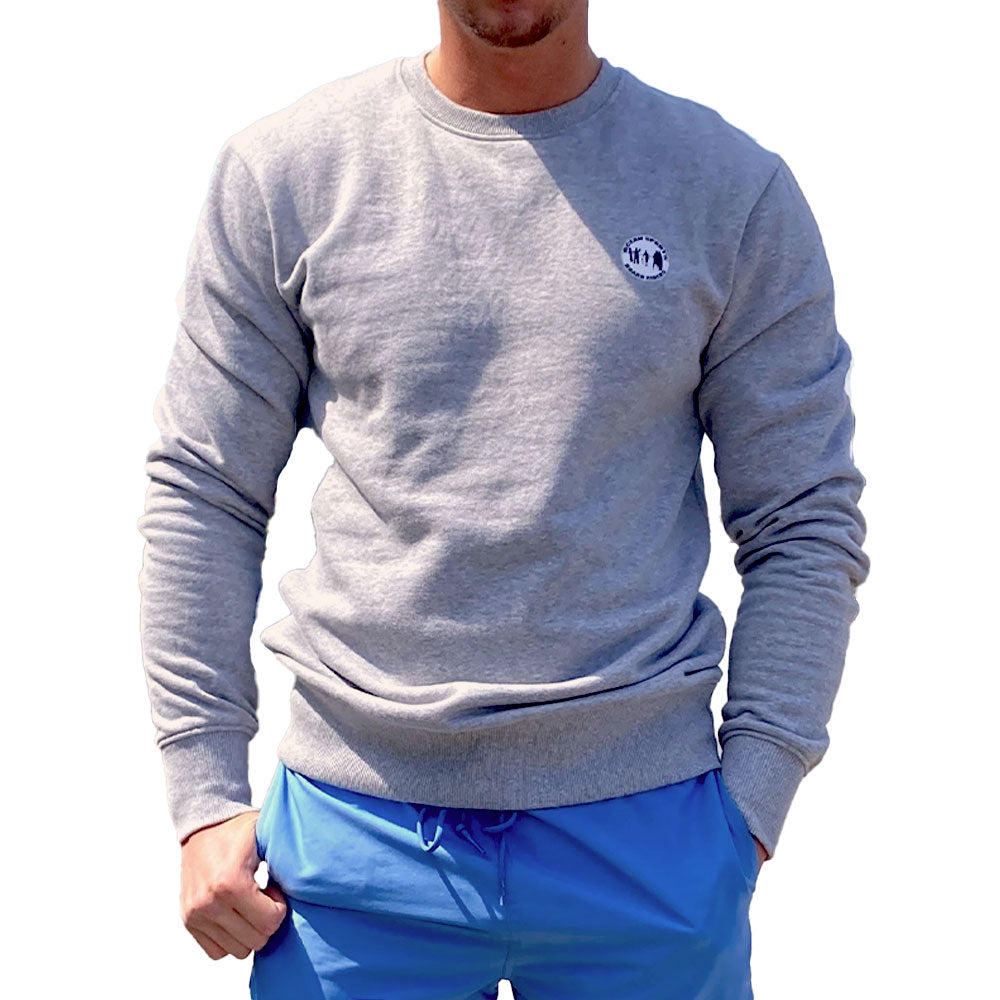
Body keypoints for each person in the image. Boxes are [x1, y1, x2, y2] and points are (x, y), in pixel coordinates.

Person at [136, 2, 870, 997]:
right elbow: (205, 488)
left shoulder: (730, 190)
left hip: (651, 833)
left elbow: (803, 516)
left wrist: (754, 798)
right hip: (351, 842)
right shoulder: (286, 174)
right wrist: (204, 794)